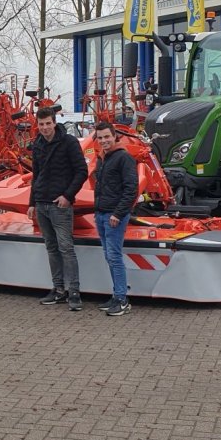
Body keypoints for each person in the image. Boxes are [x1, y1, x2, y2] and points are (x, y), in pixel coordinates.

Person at [28, 106, 89, 311]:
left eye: (48, 123)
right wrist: (31, 203)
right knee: (52, 248)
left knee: (66, 248)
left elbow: (82, 171)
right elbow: (36, 176)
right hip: (42, 204)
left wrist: (68, 196)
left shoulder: (69, 142)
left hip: (60, 205)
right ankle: (58, 289)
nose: (45, 128)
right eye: (41, 124)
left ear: (54, 122)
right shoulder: (37, 145)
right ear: (37, 125)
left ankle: (74, 292)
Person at [91, 121, 138, 317]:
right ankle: (116, 295)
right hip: (102, 214)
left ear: (114, 136)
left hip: (113, 217)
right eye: (100, 138)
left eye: (107, 137)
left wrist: (117, 214)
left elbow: (131, 189)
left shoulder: (123, 158)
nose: (104, 141)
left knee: (115, 257)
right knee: (109, 257)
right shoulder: (103, 158)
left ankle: (122, 299)